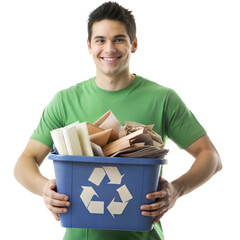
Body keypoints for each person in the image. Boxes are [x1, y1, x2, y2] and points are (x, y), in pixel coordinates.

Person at [14, 2, 222, 240]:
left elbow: (211, 157)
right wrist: (44, 189)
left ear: (134, 44)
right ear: (89, 45)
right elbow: (24, 163)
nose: (109, 49)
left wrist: (175, 190)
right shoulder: (64, 101)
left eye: (119, 39)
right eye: (100, 40)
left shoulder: (162, 99)